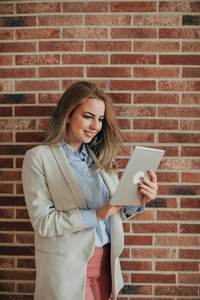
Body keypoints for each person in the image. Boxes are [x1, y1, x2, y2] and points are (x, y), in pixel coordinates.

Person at [22, 81, 158, 300]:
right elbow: (43, 223)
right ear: (67, 115)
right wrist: (97, 215)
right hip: (68, 266)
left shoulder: (101, 157)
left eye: (101, 119)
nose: (96, 126)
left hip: (107, 262)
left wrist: (139, 201)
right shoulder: (39, 157)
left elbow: (116, 211)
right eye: (88, 116)